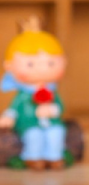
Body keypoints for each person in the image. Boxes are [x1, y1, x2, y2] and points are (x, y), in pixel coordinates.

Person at [0, 17, 67, 170]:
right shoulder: (24, 95)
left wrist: (53, 110)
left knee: (56, 132)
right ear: (8, 66)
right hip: (29, 124)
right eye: (30, 64)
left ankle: (54, 156)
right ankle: (33, 157)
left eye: (50, 63)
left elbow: (60, 106)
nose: (42, 69)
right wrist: (8, 116)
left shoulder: (51, 91)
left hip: (51, 123)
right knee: (34, 135)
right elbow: (14, 108)